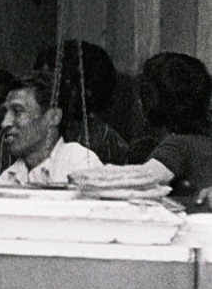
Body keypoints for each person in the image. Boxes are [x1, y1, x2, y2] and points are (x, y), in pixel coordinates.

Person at [81, 52, 212, 200]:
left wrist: (86, 178)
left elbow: (142, 178)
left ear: (151, 101)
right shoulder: (201, 142)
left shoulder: (178, 145)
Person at [0, 73, 102, 185]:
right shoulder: (10, 176)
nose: (4, 123)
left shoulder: (79, 163)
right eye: (5, 112)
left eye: (18, 111)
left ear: (53, 117)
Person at [36, 39, 128, 165]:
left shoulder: (99, 140)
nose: (40, 94)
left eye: (49, 83)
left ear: (80, 89)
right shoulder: (40, 131)